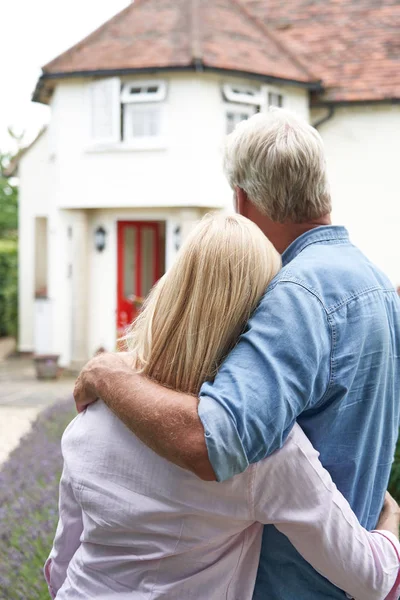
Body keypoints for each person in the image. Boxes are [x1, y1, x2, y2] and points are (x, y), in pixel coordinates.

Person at [74, 110, 400, 599]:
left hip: (285, 586)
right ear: (322, 189)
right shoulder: (377, 285)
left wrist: (105, 373)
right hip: (351, 571)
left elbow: (214, 442)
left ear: (242, 201)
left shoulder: (296, 294)